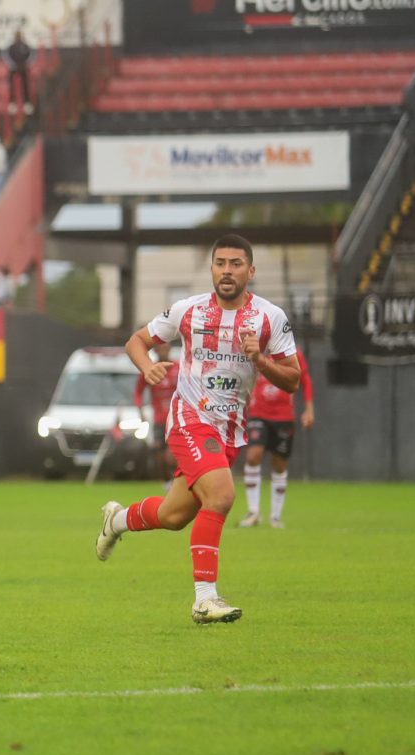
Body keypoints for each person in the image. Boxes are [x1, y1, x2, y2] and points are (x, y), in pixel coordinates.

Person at [94, 234, 300, 625]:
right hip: (190, 417)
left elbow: (293, 380)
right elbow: (137, 341)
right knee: (221, 495)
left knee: (173, 516)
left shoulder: (270, 317)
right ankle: (205, 600)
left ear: (251, 271)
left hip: (229, 430)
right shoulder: (188, 310)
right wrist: (147, 367)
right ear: (212, 269)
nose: (227, 271)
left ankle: (116, 521)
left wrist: (261, 360)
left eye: (236, 264)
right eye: (220, 263)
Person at [240, 347, 314, 529]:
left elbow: (304, 380)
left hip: (283, 416)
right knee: (253, 456)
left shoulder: (293, 353)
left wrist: (309, 410)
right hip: (258, 413)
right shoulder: (255, 349)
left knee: (279, 464)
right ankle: (253, 512)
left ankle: (275, 516)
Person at [134, 341, 179, 486]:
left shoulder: (179, 367)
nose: (163, 351)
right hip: (159, 420)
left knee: (171, 457)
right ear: (156, 351)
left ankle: (178, 485)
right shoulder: (150, 369)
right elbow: (138, 392)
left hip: (176, 420)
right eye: (160, 348)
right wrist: (141, 410)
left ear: (169, 349)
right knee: (159, 458)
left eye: (165, 348)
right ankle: (167, 486)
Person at [4, 28, 35, 114]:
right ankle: (12, 103)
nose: (18, 37)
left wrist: (26, 64)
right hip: (13, 68)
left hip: (23, 68)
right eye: (17, 36)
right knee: (12, 86)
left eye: (20, 35)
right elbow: (7, 57)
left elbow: (31, 55)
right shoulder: (11, 47)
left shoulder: (25, 46)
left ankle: (27, 103)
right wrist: (13, 65)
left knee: (25, 85)